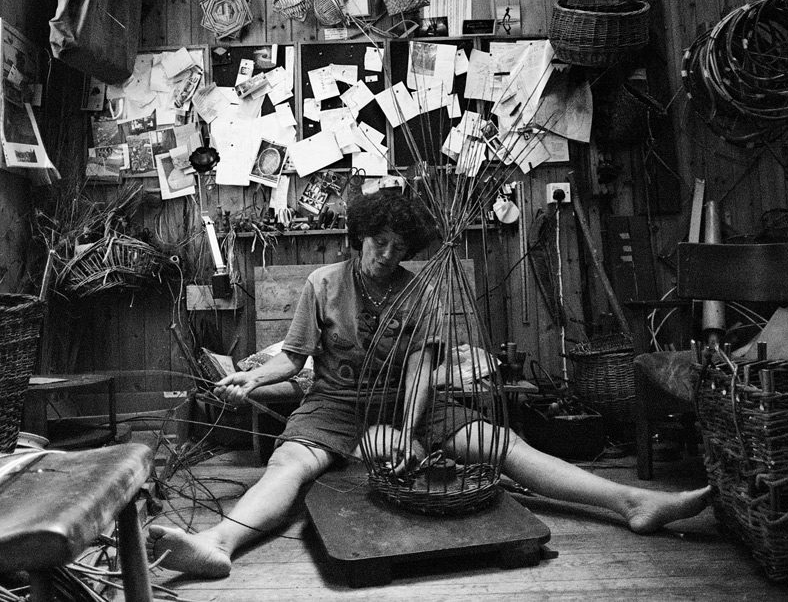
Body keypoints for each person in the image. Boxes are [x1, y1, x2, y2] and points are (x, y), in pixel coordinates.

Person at [149, 190, 710, 578]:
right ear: (358, 237)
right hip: (334, 404)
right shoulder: (323, 283)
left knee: (505, 445)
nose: (387, 256)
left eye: (399, 247)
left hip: (410, 402)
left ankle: (633, 503)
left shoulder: (422, 291)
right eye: (378, 243)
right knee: (289, 466)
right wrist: (251, 378)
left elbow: (422, 369)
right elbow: (294, 361)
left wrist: (410, 432)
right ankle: (218, 544)